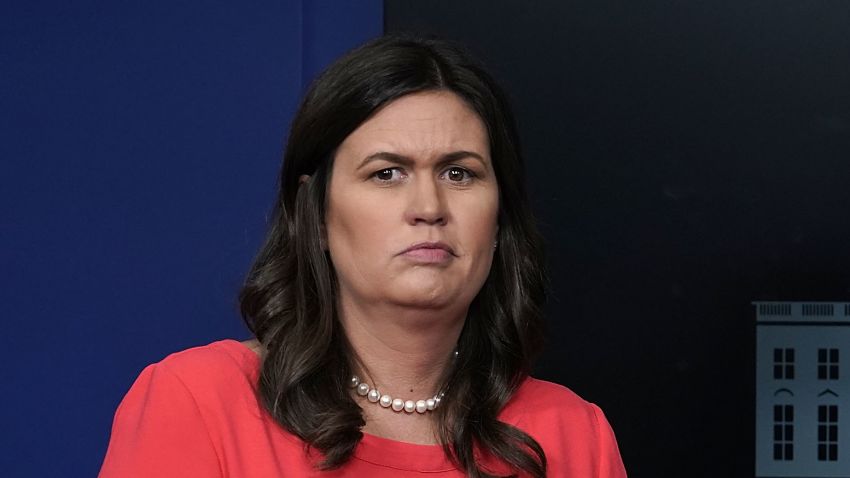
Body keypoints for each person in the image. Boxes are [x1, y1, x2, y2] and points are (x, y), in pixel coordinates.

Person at [98, 35, 627, 477]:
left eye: (459, 173)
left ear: (500, 216)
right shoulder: (198, 403)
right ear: (317, 214)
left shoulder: (574, 435)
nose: (429, 207)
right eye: (386, 173)